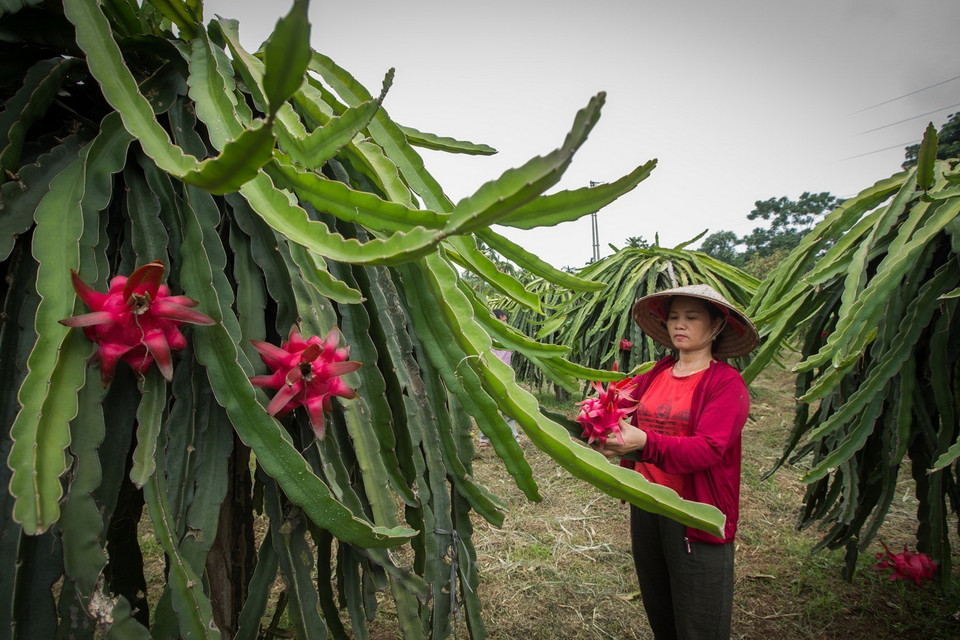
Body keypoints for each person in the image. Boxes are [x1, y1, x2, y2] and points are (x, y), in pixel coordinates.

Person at [595, 284, 758, 640]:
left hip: (694, 514)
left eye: (691, 317)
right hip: (648, 504)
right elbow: (618, 409)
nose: (679, 324)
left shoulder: (726, 384)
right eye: (673, 317)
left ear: (717, 326)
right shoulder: (656, 373)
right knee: (661, 611)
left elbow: (708, 449)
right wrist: (601, 432)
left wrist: (646, 443)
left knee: (699, 622)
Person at [478, 309, 520, 448]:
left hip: (505, 377)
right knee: (487, 408)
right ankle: (484, 439)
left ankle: (515, 438)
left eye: (506, 320)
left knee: (508, 409)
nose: (505, 323)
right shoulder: (485, 338)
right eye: (502, 321)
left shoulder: (508, 338)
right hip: (488, 377)